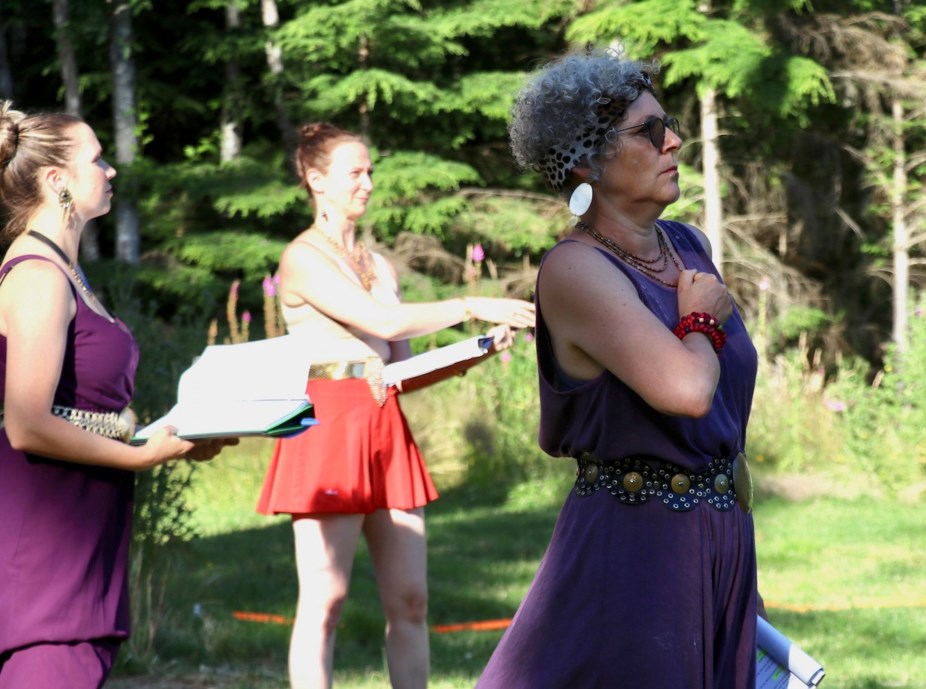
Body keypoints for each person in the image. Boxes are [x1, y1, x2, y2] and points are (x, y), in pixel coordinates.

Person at [475, 52, 760, 688]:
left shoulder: (688, 245)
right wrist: (702, 322)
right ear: (586, 161)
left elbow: (720, 408)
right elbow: (687, 390)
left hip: (720, 539)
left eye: (671, 124)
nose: (675, 141)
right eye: (650, 131)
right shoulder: (575, 271)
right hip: (636, 554)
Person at [255, 122, 536, 689]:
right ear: (316, 180)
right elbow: (380, 322)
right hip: (326, 426)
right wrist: (472, 305)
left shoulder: (378, 265)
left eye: (370, 171)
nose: (368, 182)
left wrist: (471, 354)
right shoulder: (303, 258)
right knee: (327, 599)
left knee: (410, 600)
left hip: (384, 424)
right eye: (355, 172)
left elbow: (400, 368)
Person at [0, 102, 235, 689]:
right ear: (57, 180)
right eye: (97, 160)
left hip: (84, 531)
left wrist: (173, 436)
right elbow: (26, 422)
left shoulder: (66, 269)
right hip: (47, 545)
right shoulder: (37, 275)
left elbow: (83, 411)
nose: (110, 172)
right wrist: (143, 455)